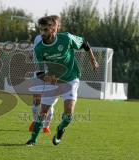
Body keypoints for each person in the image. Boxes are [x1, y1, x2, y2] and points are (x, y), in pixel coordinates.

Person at [26, 16, 99, 146]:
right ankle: (32, 140)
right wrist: (48, 78)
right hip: (52, 82)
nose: (43, 33)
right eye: (41, 30)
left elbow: (84, 44)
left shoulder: (66, 38)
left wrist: (93, 60)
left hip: (71, 79)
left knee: (69, 113)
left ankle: (60, 129)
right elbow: (40, 73)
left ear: (53, 29)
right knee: (42, 113)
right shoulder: (39, 49)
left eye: (46, 30)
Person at [29, 15, 60, 134]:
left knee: (48, 102)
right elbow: (35, 52)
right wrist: (32, 55)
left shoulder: (61, 40)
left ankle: (46, 125)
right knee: (36, 100)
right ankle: (35, 121)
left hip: (53, 74)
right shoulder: (38, 38)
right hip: (39, 72)